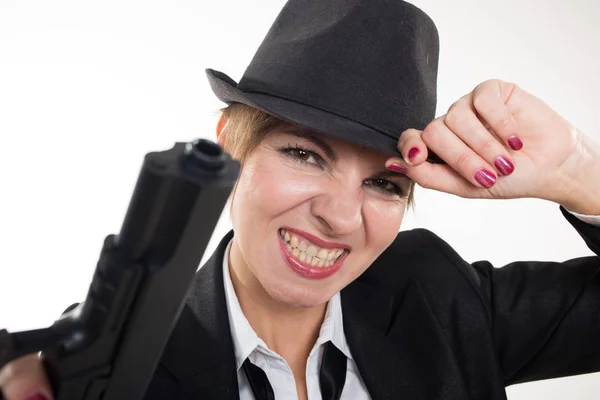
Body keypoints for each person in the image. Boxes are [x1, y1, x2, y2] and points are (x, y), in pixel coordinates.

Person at [2, 0, 600, 399]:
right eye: (305, 155)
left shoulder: (436, 296)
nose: (341, 216)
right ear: (230, 148)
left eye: (385, 183)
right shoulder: (111, 364)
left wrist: (579, 172)